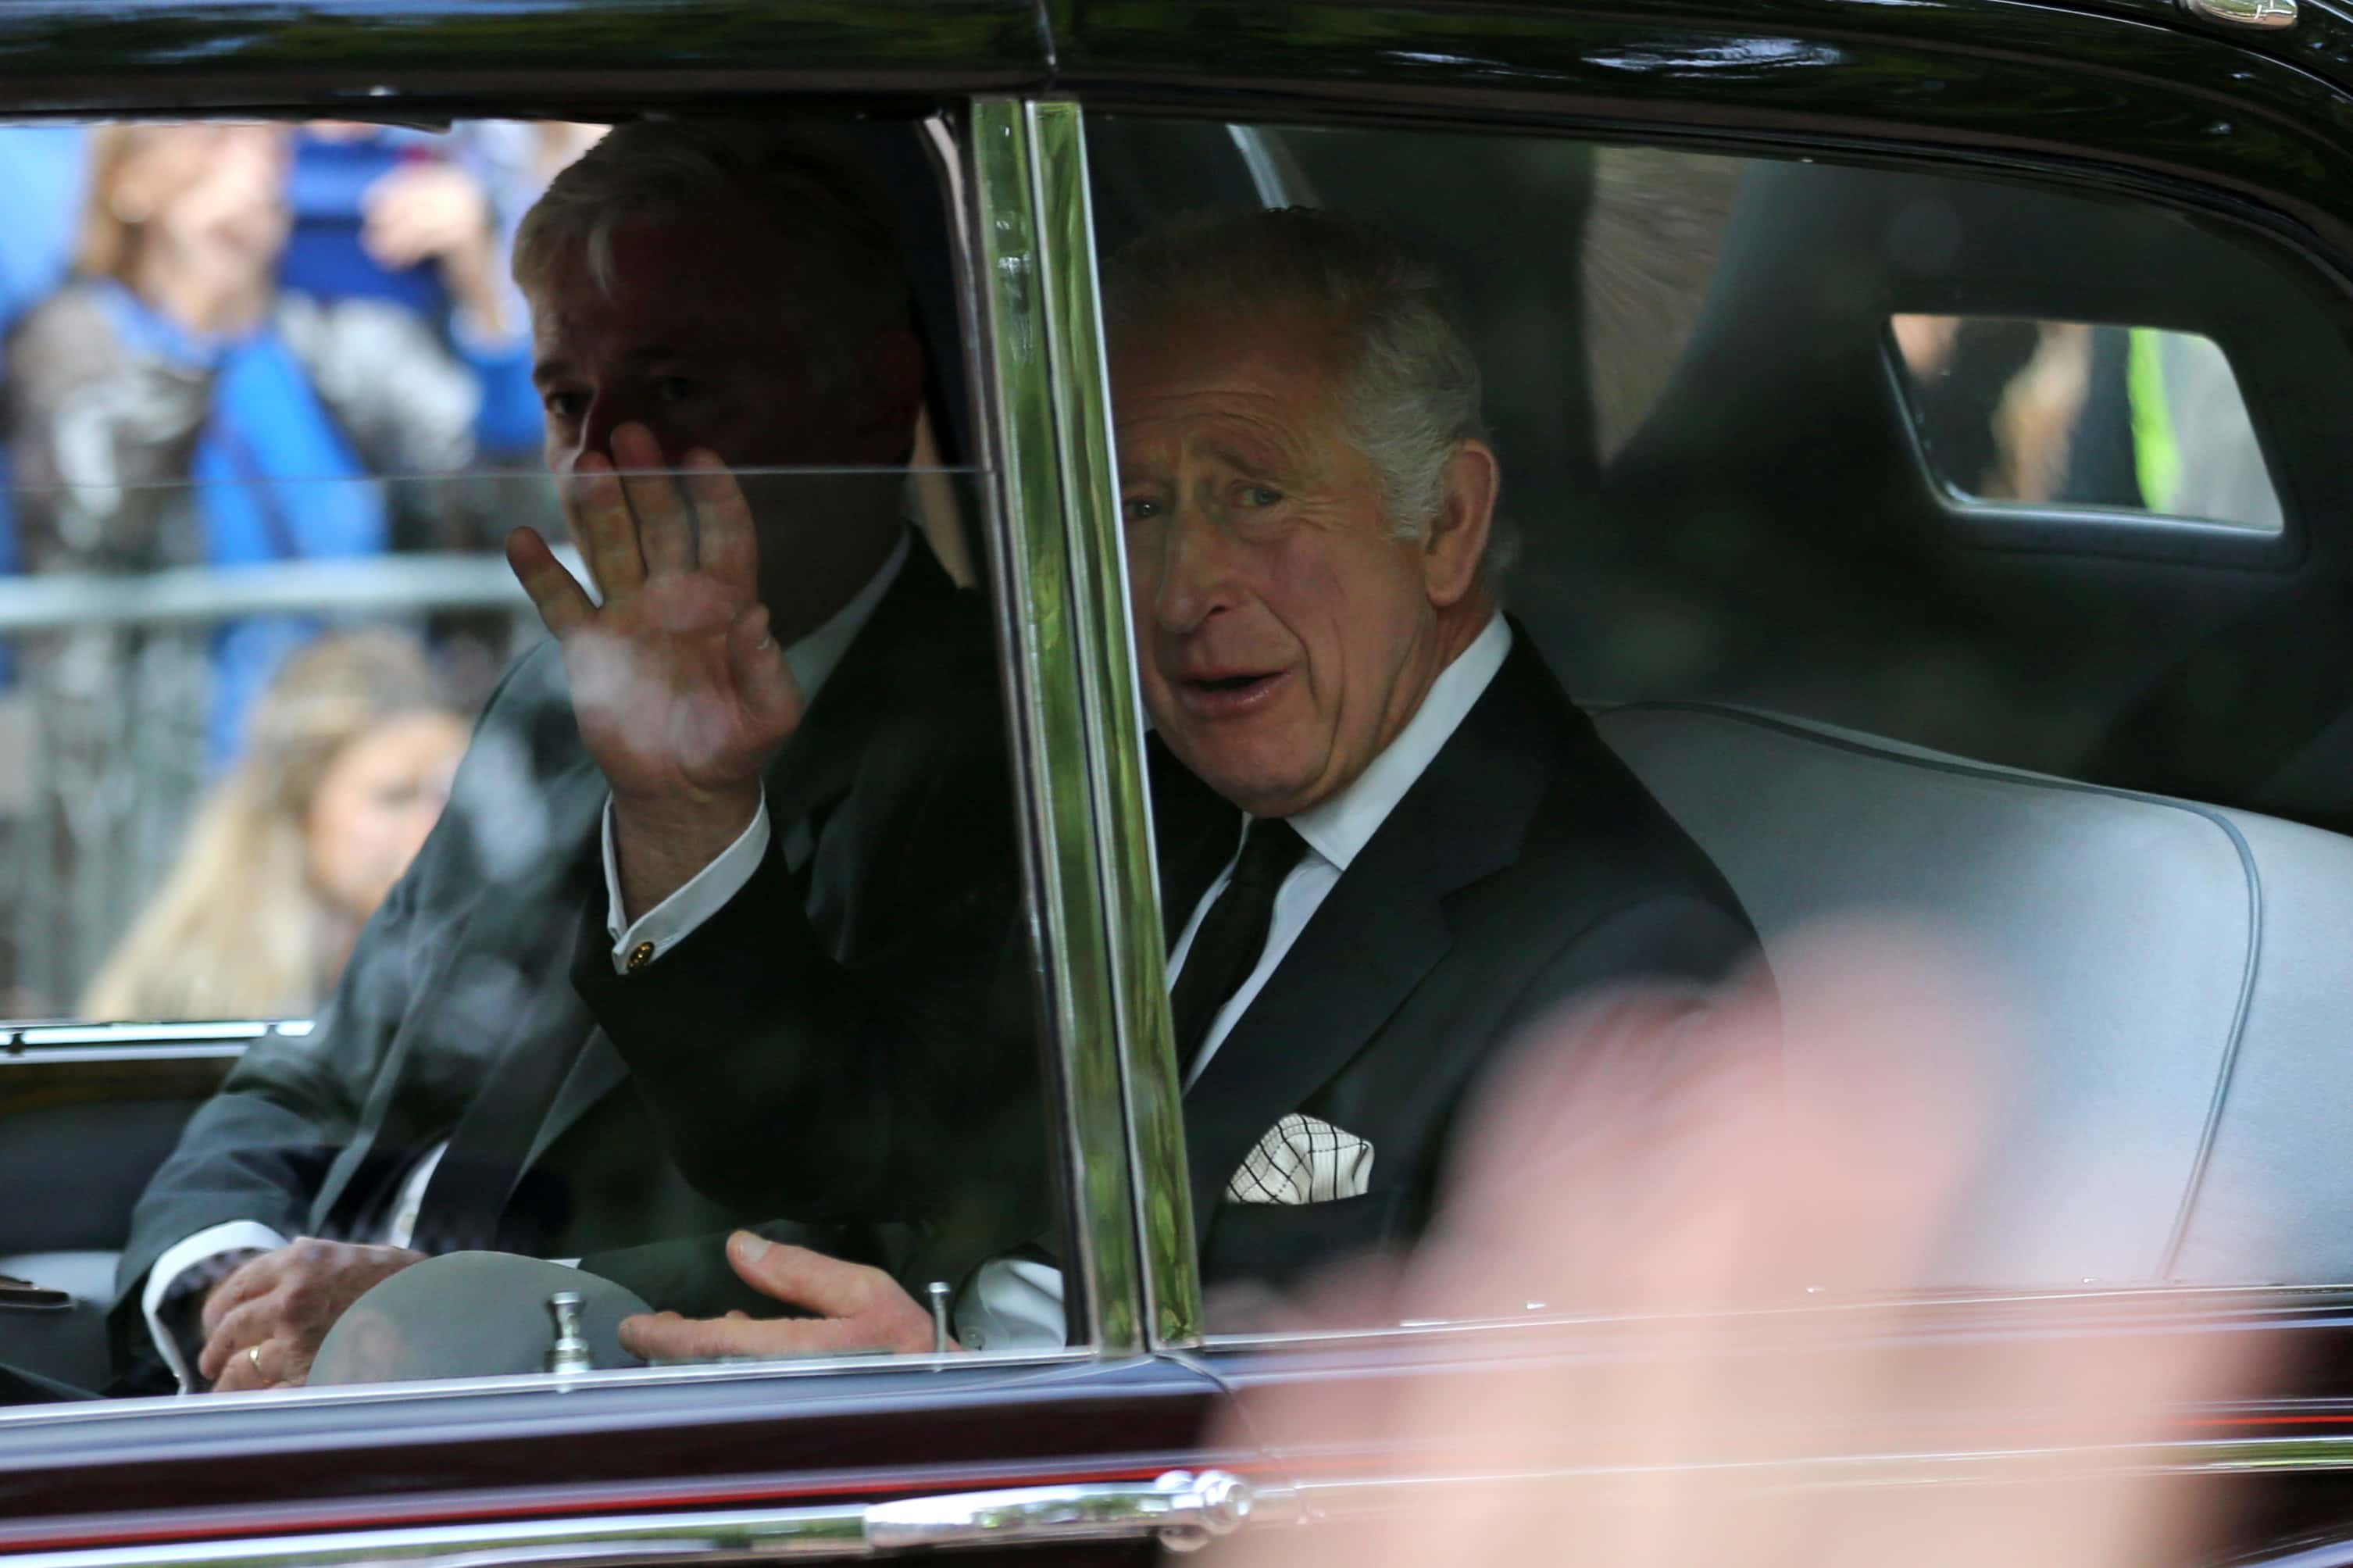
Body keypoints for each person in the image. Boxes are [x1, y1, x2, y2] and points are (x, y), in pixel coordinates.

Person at [602, 206, 1764, 1365]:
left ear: (1448, 523)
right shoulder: (1145, 803)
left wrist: (957, 1416)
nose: (1178, 590)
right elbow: (837, 1123)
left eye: (1254, 495)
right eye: (1142, 508)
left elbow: (1520, 1492)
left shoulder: (1626, 954)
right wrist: (683, 807)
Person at [109, 119, 1034, 1396]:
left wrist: (433, 1316)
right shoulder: (555, 689)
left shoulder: (1010, 746)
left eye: (677, 392)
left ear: (872, 399)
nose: (602, 460)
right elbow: (329, 1069)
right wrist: (220, 1284)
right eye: (565, 399)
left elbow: (892, 1226)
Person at [79, 629, 466, 1023]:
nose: (431, 827)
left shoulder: (476, 970)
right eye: (396, 798)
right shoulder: (195, 990)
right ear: (300, 807)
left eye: (449, 797)